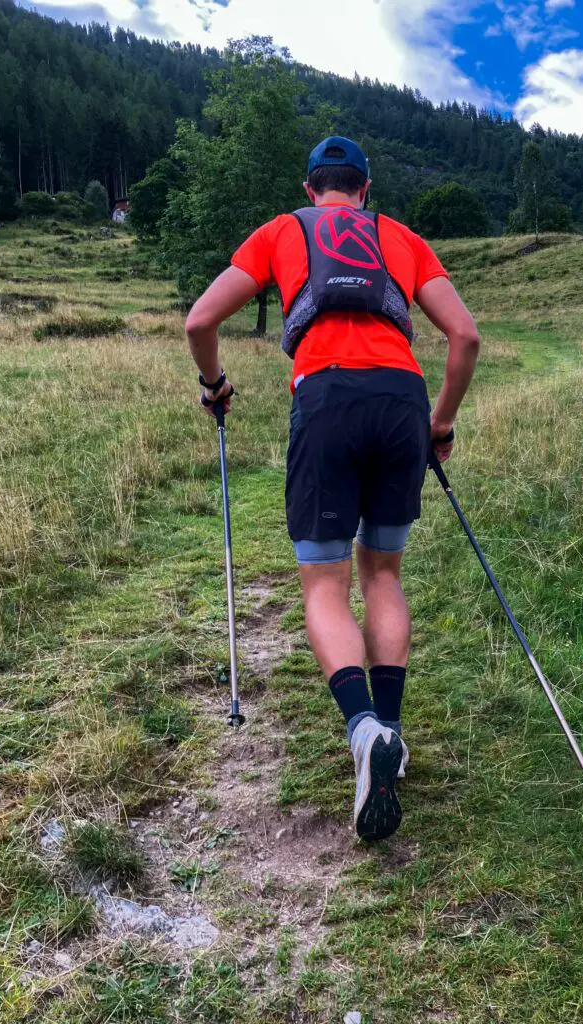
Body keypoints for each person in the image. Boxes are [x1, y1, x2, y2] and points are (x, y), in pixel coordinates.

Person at [186, 136, 480, 842]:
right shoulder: (402, 238)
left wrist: (215, 383)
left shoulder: (283, 230)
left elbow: (199, 320)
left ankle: (361, 732)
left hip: (326, 396)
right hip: (402, 399)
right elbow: (465, 337)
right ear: (366, 190)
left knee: (324, 582)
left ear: (311, 187)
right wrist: (439, 425)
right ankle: (392, 734)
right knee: (382, 572)